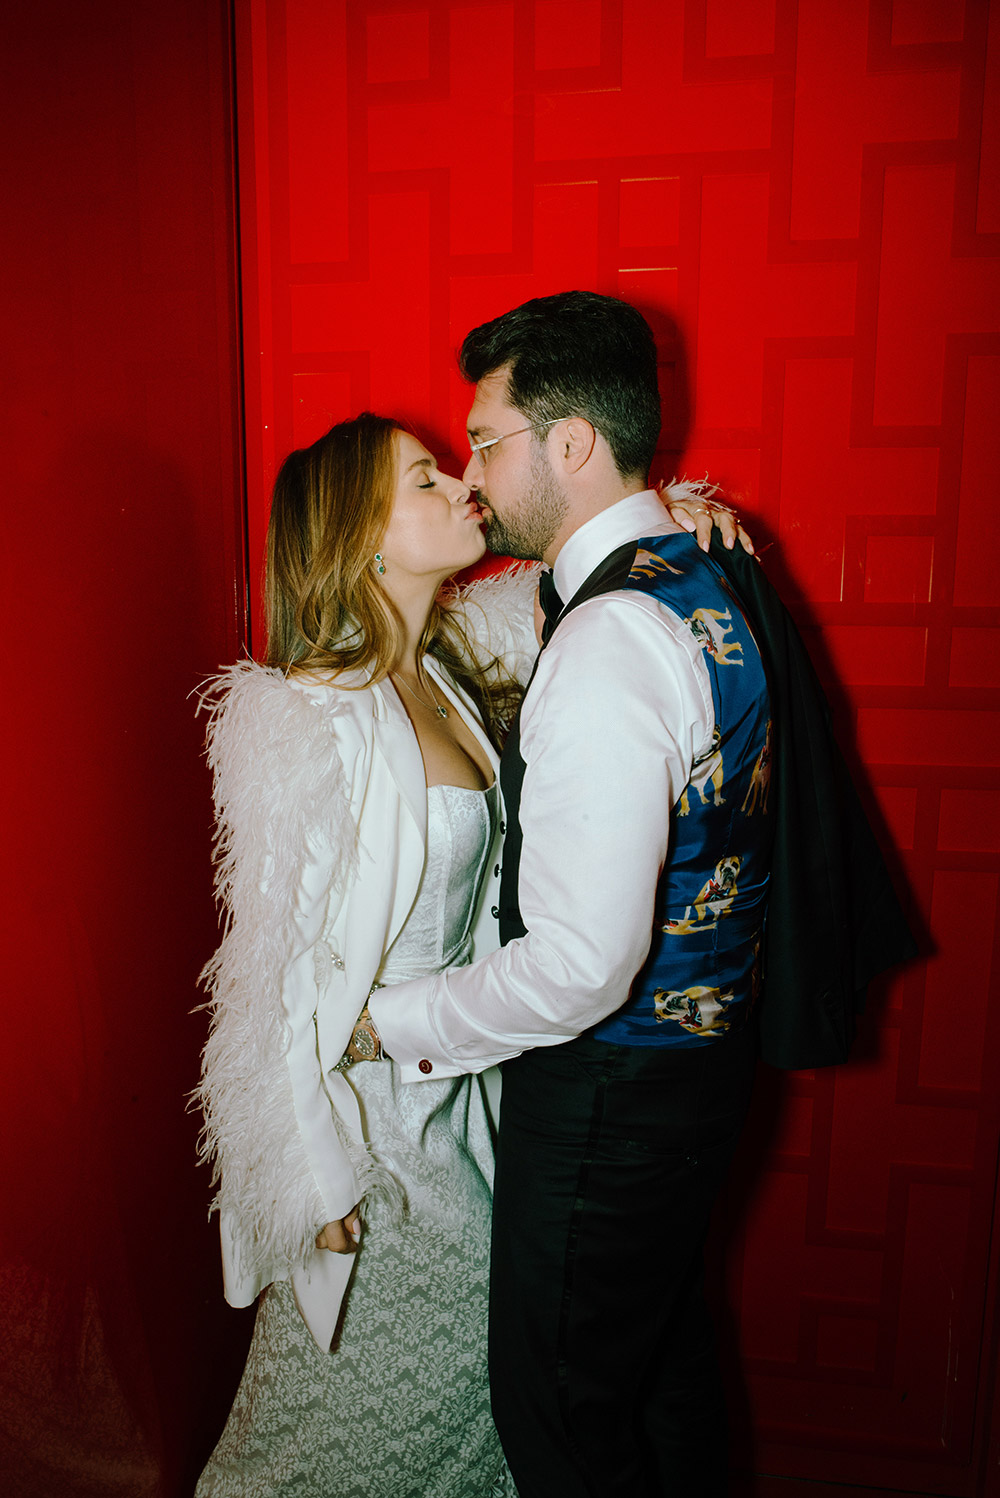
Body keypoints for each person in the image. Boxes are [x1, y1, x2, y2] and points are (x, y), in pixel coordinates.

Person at [193, 408, 739, 1498]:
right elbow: (269, 982)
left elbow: (564, 587)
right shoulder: (300, 718)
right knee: (334, 1435)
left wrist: (676, 516)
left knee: (478, 1408)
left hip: (465, 1106)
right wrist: (304, 1178)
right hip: (369, 1137)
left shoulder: (445, 661)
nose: (461, 487)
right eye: (425, 481)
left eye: (454, 467)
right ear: (363, 537)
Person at [359, 291, 776, 1497]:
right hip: (701, 1074)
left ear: (572, 443)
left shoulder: (604, 641)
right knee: (662, 1382)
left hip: (609, 1100)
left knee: (559, 1420)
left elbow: (583, 964)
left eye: (484, 441)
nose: (474, 478)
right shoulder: (704, 578)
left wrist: (391, 1022)